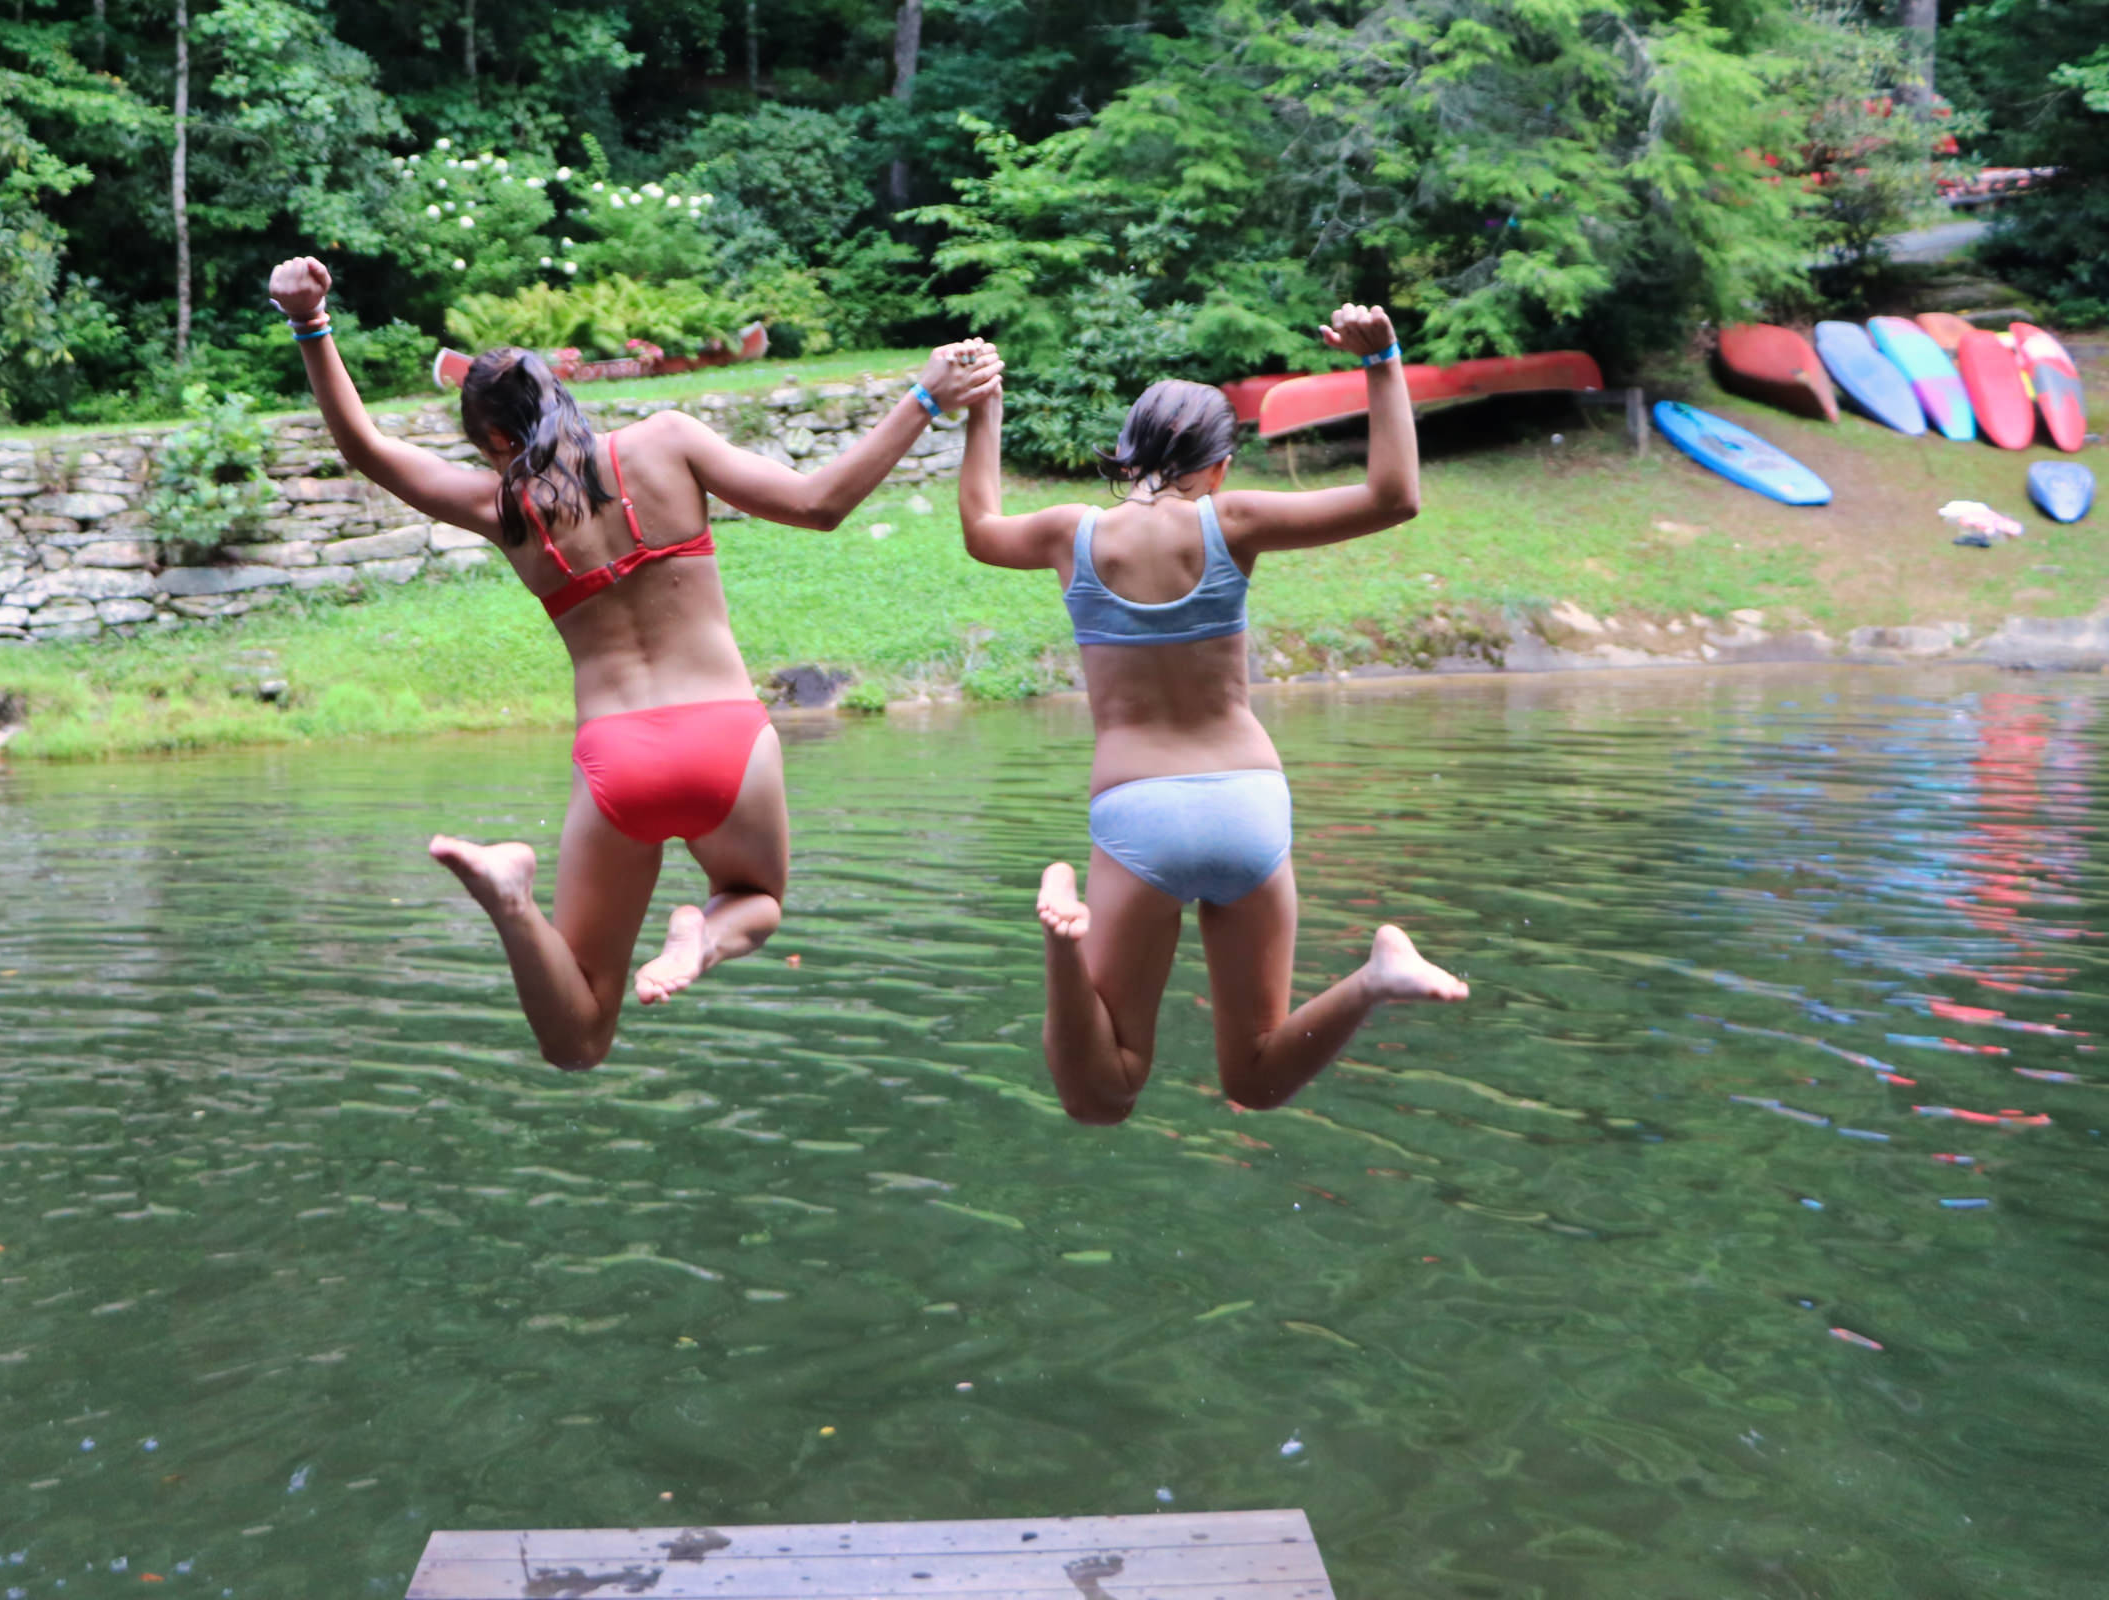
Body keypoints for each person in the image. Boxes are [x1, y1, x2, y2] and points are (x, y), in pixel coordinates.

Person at [266, 256, 1001, 1068]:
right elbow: (821, 504)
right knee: (754, 902)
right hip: (726, 738)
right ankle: (704, 936)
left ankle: (512, 899)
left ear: (498, 441)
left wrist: (310, 321)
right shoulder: (667, 443)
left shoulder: (501, 503)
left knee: (578, 1039)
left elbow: (367, 448)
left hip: (620, 758)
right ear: (562, 399)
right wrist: (926, 396)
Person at [955, 304, 1467, 1124]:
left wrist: (986, 407)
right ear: (1221, 466)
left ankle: (1061, 943)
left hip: (1138, 813)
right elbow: (1394, 496)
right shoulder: (1234, 521)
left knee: (1105, 1092)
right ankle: (1375, 976)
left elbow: (980, 527)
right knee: (1255, 1079)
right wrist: (1383, 361)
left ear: (1127, 451)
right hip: (1248, 805)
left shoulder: (1069, 534)